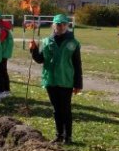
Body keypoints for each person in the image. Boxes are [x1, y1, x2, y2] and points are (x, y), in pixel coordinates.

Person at [29, 14, 83, 144]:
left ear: (67, 25)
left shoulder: (73, 43)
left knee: (66, 109)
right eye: (58, 24)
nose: (61, 27)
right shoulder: (47, 41)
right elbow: (40, 59)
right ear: (53, 25)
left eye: (64, 24)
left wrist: (78, 84)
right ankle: (59, 135)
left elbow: (77, 64)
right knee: (56, 109)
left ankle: (68, 136)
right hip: (51, 80)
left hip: (65, 80)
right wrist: (34, 50)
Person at [0, 10, 14, 98]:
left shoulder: (2, 29)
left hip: (1, 53)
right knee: (3, 71)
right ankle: (7, 90)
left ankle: (1, 91)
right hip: (4, 53)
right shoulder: (4, 27)